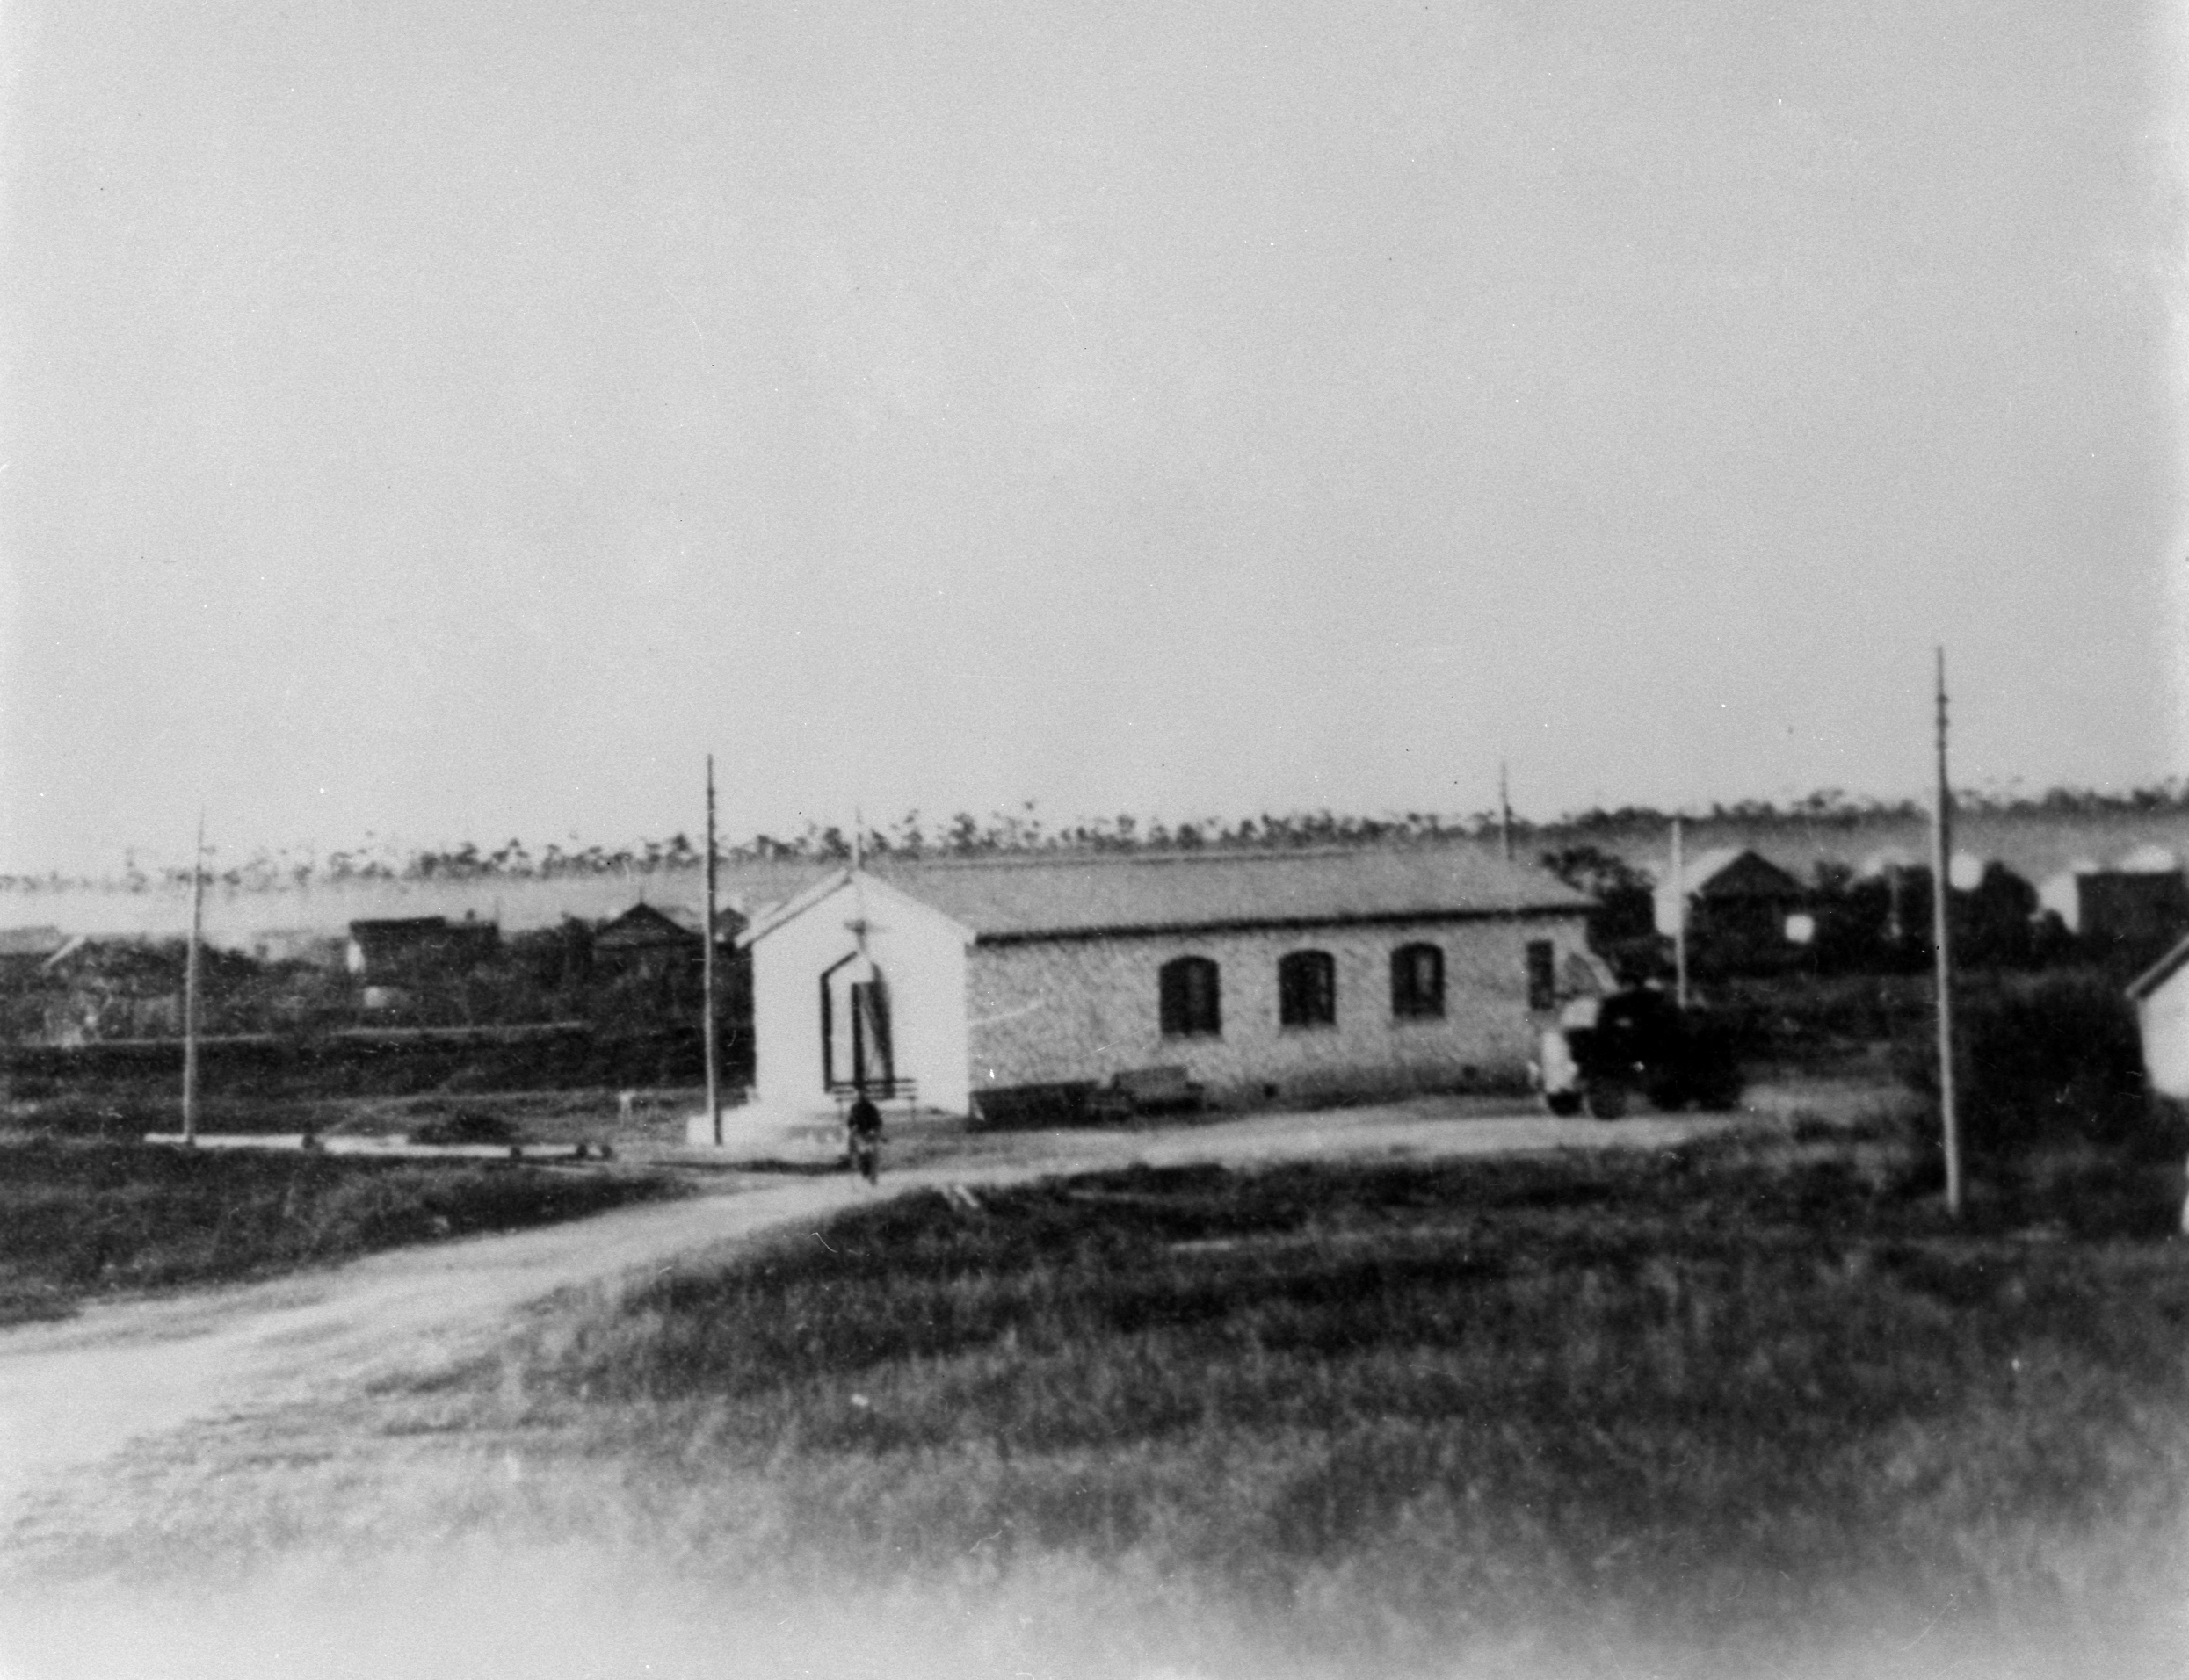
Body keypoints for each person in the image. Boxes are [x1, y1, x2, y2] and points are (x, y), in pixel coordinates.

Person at [845, 1091, 883, 1182]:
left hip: (868, 1133)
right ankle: (867, 1173)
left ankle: (870, 1175)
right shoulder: (856, 1108)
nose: (862, 1100)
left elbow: (877, 1121)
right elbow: (850, 1121)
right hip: (862, 1133)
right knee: (863, 1153)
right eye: (861, 1098)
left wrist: (874, 1130)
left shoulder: (869, 1107)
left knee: (869, 1154)